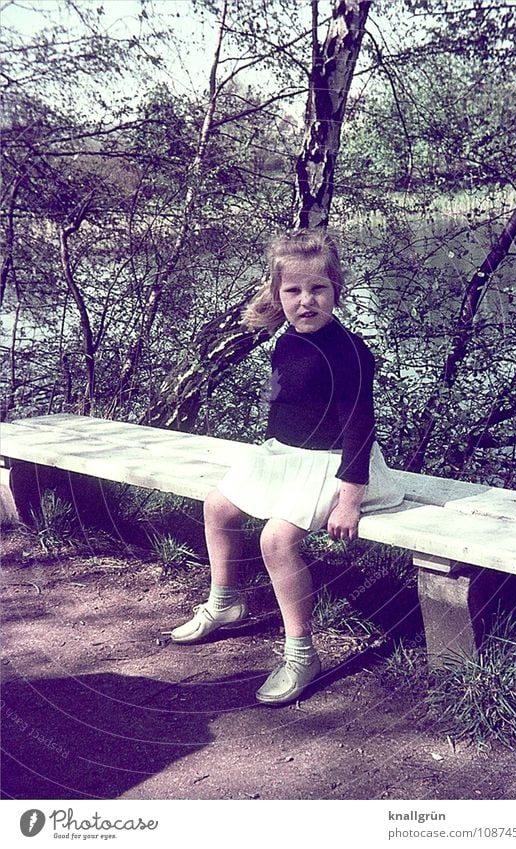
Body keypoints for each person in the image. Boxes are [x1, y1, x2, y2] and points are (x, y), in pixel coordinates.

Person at [170, 228, 404, 705]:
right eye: (293, 290)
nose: (306, 301)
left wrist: (349, 502)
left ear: (336, 289)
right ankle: (226, 603)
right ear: (278, 294)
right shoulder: (286, 340)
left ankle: (300, 654)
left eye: (318, 289)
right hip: (285, 456)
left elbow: (360, 429)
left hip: (335, 465)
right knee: (217, 506)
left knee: (275, 539)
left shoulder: (349, 353)